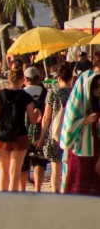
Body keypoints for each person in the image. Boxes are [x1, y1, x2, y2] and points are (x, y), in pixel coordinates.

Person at [0, 69, 40, 192]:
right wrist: (37, 112)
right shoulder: (26, 96)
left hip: (1, 135)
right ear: (22, 80)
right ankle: (12, 199)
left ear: (9, 79)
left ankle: (3, 198)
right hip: (19, 136)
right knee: (15, 172)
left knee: (4, 171)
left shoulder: (0, 94)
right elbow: (33, 121)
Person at [58, 70, 100, 195]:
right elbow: (69, 128)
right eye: (95, 86)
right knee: (78, 187)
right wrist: (85, 120)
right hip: (80, 152)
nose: (98, 89)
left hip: (96, 151)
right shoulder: (76, 103)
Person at [39, 63, 74, 193]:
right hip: (72, 133)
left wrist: (42, 137)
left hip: (55, 135)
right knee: (70, 166)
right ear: (72, 78)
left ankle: (56, 193)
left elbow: (46, 117)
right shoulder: (75, 93)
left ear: (59, 79)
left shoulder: (53, 93)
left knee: (56, 168)